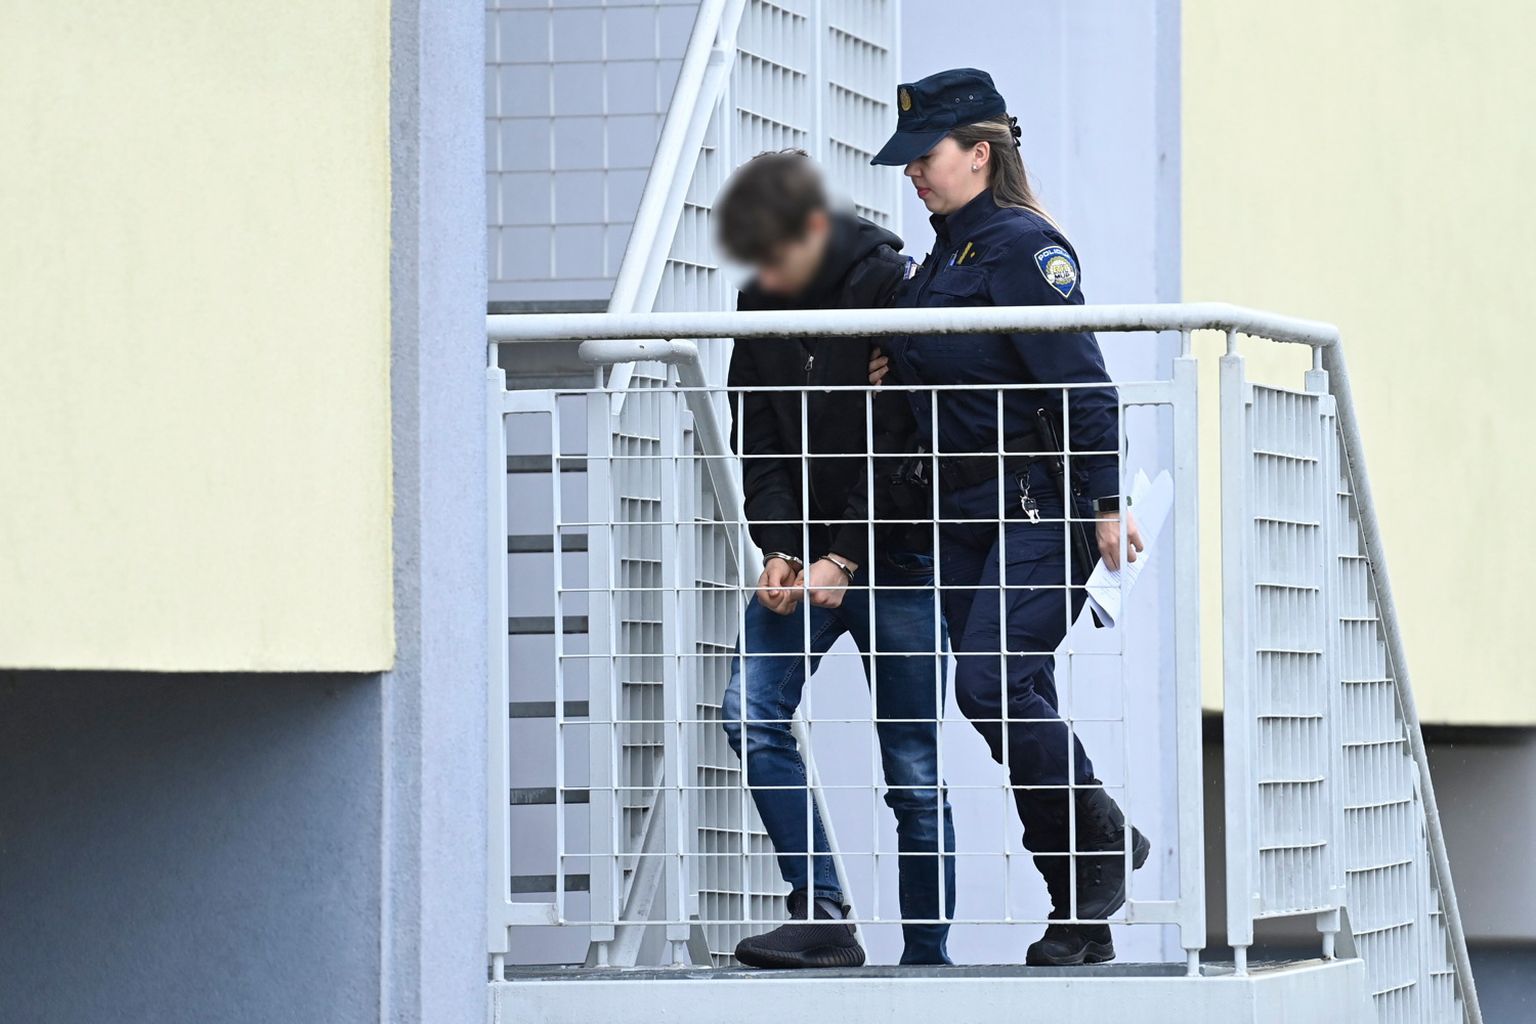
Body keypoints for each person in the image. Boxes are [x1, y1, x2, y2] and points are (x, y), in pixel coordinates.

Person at [868, 68, 1150, 967]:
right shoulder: (939, 262)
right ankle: (1080, 915)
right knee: (1019, 697)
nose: (913, 172)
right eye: (909, 159)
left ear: (980, 154)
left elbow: (1082, 383)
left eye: (927, 155)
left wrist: (1108, 501)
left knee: (990, 685)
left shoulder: (1024, 247)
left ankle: (1103, 839)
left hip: (1036, 503)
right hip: (959, 515)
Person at [716, 151, 955, 968]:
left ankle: (928, 964)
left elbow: (908, 443)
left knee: (913, 772)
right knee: (749, 713)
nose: (764, 268)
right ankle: (820, 911)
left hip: (898, 560)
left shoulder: (894, 287)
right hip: (807, 557)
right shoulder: (759, 298)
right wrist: (781, 545)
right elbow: (759, 438)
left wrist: (846, 554)